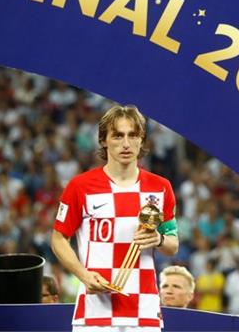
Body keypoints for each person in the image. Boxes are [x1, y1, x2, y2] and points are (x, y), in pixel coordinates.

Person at [51, 105, 179, 331]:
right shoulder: (80, 186)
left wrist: (159, 239)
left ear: (142, 139)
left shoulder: (160, 187)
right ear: (103, 140)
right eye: (118, 135)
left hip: (144, 312)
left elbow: (173, 245)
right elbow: (58, 239)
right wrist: (83, 275)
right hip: (94, 313)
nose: (126, 144)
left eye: (133, 135)